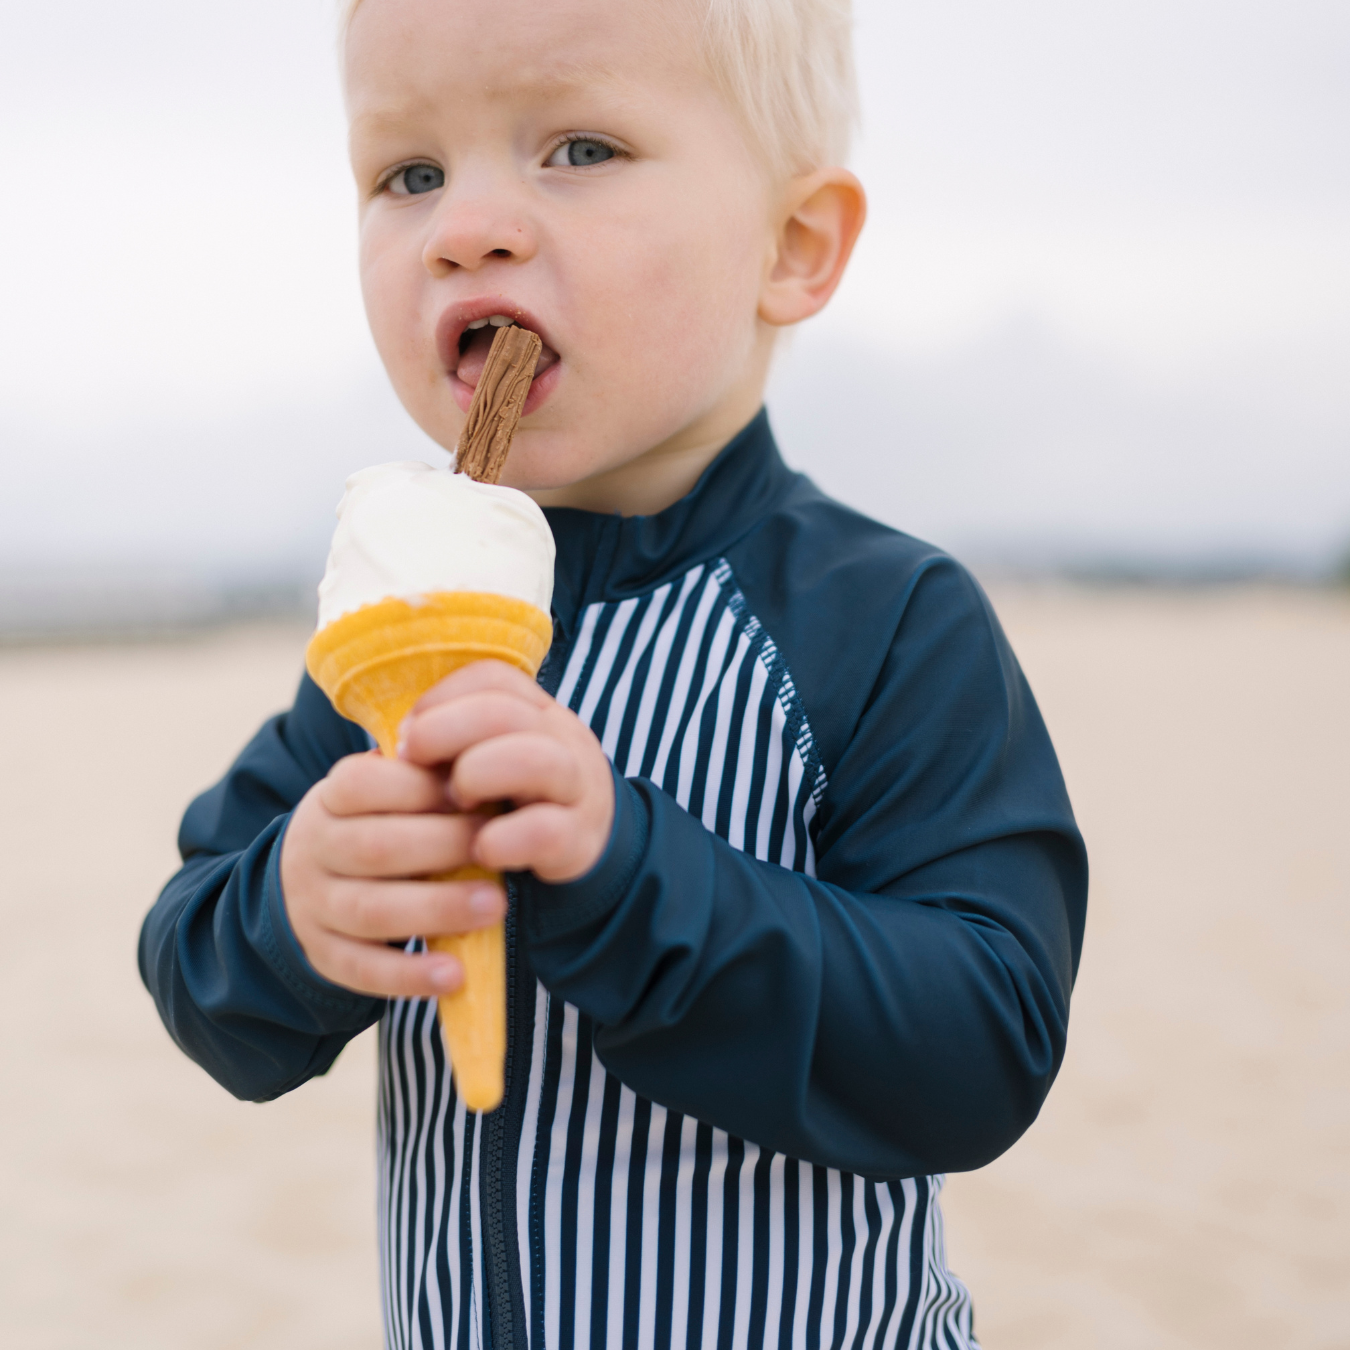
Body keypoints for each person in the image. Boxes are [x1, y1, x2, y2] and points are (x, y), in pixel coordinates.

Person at [140, 0, 1088, 1345]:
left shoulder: (880, 618)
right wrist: (292, 913)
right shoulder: (395, 620)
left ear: (791, 246)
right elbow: (199, 971)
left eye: (577, 147)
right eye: (408, 173)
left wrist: (634, 879)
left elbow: (983, 1039)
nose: (467, 224)